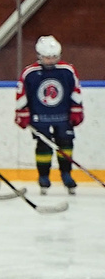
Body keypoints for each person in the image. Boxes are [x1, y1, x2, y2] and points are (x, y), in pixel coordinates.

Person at [17, 34, 83, 195]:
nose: (51, 61)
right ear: (39, 56)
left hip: (63, 116)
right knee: (43, 146)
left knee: (66, 144)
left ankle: (66, 174)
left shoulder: (67, 70)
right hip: (40, 117)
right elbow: (21, 94)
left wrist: (76, 111)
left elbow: (76, 91)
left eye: (54, 57)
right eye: (47, 58)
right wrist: (22, 113)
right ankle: (44, 177)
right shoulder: (30, 73)